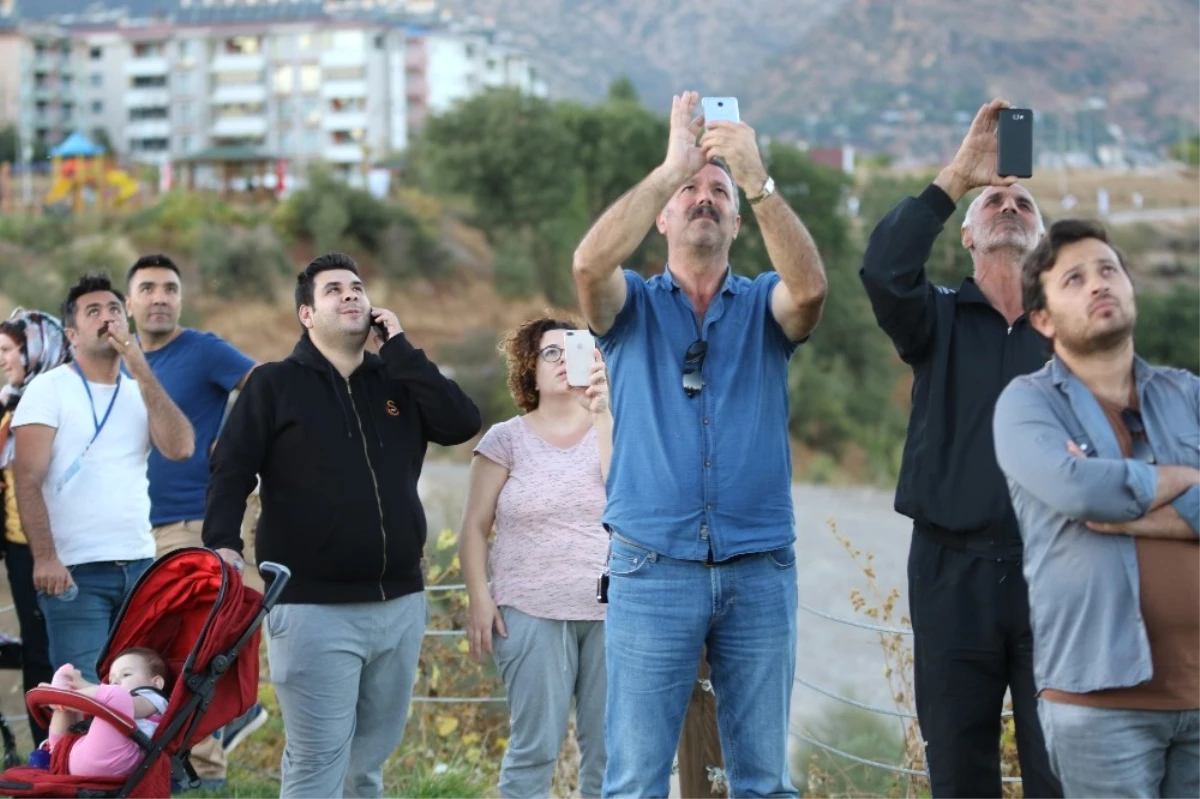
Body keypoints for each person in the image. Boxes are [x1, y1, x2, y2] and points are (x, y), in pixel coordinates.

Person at [572, 90, 827, 797]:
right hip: (652, 567)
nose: (703, 198)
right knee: (633, 779)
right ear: (662, 216)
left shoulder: (767, 305)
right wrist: (670, 166)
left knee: (763, 780)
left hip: (759, 569)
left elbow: (810, 293)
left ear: (738, 221)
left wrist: (758, 180)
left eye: (718, 191)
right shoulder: (629, 306)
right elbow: (588, 268)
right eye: (690, 192)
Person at [202, 253, 482, 799]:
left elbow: (462, 423)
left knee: (364, 767)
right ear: (307, 314)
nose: (351, 295)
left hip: (399, 605)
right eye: (334, 290)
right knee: (316, 762)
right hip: (312, 610)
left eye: (357, 287)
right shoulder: (274, 385)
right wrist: (223, 544)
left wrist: (399, 347)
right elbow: (230, 470)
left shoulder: (399, 380)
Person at [858, 98, 1061, 798]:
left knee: (1061, 770)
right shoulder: (936, 320)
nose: (1008, 205)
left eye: (1023, 201)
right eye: (994, 201)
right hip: (951, 576)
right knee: (959, 774)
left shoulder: (1071, 340)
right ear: (968, 236)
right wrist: (956, 177)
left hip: (1058, 575)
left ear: (1045, 242)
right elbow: (883, 271)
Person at [994, 219, 1200, 798]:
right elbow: (1081, 494)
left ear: (1130, 286)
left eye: (1108, 270)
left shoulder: (1189, 394)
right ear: (1043, 318)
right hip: (1099, 703)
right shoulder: (1026, 405)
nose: (1098, 285)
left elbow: (1101, 498)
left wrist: (1125, 502)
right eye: (1075, 279)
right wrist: (1187, 480)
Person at [122, 253, 265, 793]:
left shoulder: (201, 349)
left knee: (203, 646)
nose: (160, 297)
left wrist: (236, 442)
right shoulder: (119, 363)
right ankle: (205, 747)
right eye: (149, 288)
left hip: (205, 522)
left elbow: (263, 385)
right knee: (167, 655)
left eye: (170, 288)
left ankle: (206, 772)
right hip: (143, 529)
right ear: (130, 301)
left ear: (180, 299)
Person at [11, 273, 194, 685]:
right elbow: (27, 478)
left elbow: (181, 448)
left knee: (143, 697)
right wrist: (44, 557)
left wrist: (140, 368)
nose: (107, 318)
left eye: (114, 309)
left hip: (139, 565)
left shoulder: (138, 391)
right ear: (72, 334)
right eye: (93, 311)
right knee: (86, 700)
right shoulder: (48, 389)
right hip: (75, 573)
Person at [460, 317, 611, 799]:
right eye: (551, 353)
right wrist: (480, 599)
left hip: (616, 613)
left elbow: (628, 496)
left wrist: (603, 413)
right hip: (528, 612)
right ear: (529, 367)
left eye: (576, 349)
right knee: (535, 749)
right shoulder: (506, 439)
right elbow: (474, 529)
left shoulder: (615, 427)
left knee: (610, 751)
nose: (564, 360)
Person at [0, 308, 70, 746]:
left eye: (7, 350)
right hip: (17, 545)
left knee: (56, 649)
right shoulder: (10, 400)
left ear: (37, 350)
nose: (2, 358)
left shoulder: (56, 399)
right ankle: (46, 752)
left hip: (60, 545)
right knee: (35, 648)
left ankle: (69, 750)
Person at [40, 647, 169, 777]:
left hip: (120, 758)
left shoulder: (154, 698)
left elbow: (128, 704)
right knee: (75, 714)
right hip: (79, 757)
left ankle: (62, 697)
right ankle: (54, 751)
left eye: (126, 674)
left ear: (156, 683)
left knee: (117, 697)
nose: (116, 681)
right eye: (111, 680)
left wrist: (86, 688)